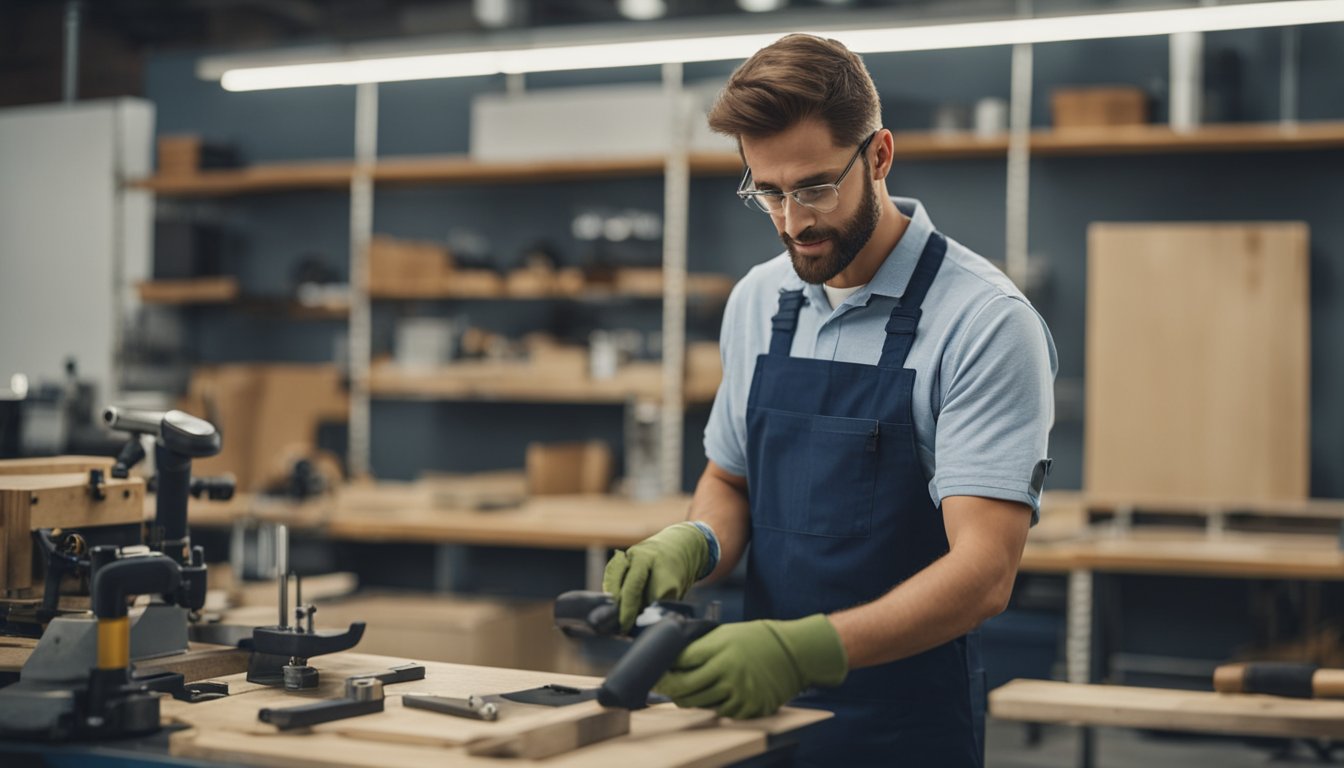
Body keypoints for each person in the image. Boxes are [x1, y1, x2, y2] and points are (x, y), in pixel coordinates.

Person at [602, 33, 1057, 766]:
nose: (792, 222)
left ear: (878, 155)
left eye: (814, 187)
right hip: (757, 714)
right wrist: (695, 543)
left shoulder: (984, 322)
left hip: (902, 731)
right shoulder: (758, 299)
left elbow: (984, 575)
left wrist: (802, 649)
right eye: (768, 191)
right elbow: (730, 478)